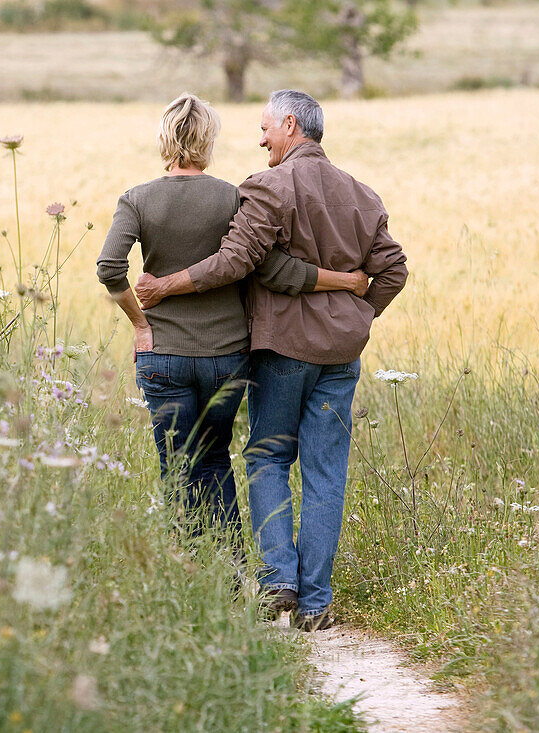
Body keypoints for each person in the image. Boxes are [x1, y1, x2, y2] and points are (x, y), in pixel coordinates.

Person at [135, 90, 408, 630]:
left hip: (282, 349)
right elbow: (393, 270)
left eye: (265, 129)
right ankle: (316, 602)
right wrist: (358, 319)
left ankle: (278, 578)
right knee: (327, 472)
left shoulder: (267, 186)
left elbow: (238, 261)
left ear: (289, 124)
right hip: (341, 356)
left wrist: (165, 285)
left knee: (267, 459)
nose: (260, 139)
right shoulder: (363, 194)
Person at [96, 92, 366, 547]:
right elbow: (260, 265)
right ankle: (233, 568)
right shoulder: (234, 197)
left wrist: (141, 324)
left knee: (177, 465)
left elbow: (109, 269)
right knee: (216, 458)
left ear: (164, 139)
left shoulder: (138, 200)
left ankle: (189, 569)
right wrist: (346, 281)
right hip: (226, 358)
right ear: (208, 140)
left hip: (162, 355)